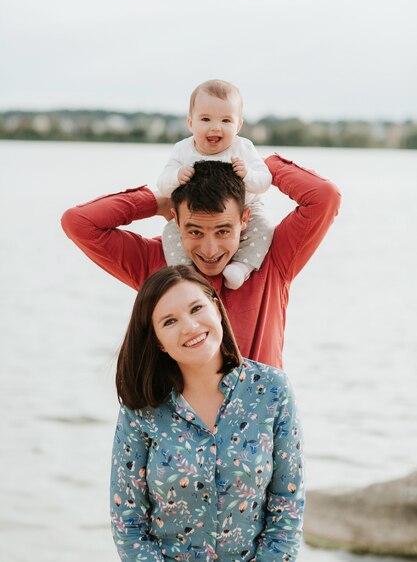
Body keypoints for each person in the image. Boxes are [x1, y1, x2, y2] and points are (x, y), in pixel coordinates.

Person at [61, 144, 341, 369]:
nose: (209, 251)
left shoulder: (274, 257)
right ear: (176, 220)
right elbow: (79, 222)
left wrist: (260, 167)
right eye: (195, 232)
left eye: (222, 231)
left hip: (259, 428)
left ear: (245, 219)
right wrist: (155, 201)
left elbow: (324, 196)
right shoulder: (155, 263)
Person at [111, 265, 304, 561]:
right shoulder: (142, 408)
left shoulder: (272, 390)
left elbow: (287, 507)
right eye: (170, 321)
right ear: (158, 342)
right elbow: (128, 521)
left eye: (196, 308)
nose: (190, 326)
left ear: (216, 307)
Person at [157, 79, 274, 290]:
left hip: (246, 207)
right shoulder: (182, 150)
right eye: (206, 119)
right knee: (170, 233)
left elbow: (264, 181)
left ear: (238, 125)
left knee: (264, 227)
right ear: (191, 122)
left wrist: (247, 174)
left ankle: (242, 267)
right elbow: (163, 185)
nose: (215, 127)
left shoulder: (243, 148)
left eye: (226, 121)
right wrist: (177, 176)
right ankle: (184, 270)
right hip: (196, 213)